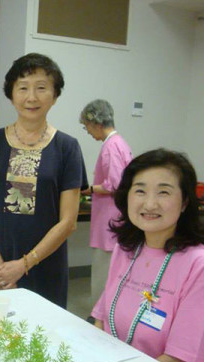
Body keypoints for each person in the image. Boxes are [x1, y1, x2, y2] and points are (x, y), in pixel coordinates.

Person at [91, 149, 204, 362]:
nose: (150, 203)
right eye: (140, 190)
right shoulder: (126, 250)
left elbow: (178, 361)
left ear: (185, 202)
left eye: (163, 192)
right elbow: (102, 320)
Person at [0, 53, 88, 308]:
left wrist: (23, 265)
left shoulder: (68, 147)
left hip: (45, 267)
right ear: (11, 94)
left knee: (41, 339)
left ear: (55, 95)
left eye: (41, 88)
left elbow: (68, 222)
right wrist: (1, 268)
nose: (31, 97)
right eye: (23, 88)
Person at [79, 99, 132, 301]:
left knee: (104, 272)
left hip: (109, 220)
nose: (89, 132)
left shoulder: (111, 146)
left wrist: (88, 189)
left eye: (87, 127)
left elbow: (115, 183)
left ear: (96, 123)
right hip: (118, 216)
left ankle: (99, 316)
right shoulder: (121, 143)